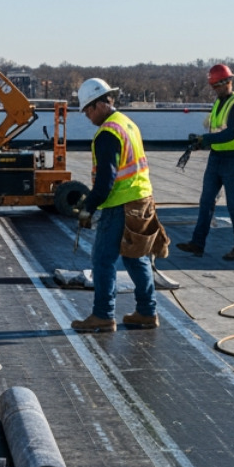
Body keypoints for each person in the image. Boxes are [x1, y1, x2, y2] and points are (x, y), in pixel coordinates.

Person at [69, 77, 163, 332]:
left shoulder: (108, 133)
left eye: (88, 110)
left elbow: (105, 181)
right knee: (136, 257)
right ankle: (147, 312)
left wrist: (88, 207)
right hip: (141, 199)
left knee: (102, 259)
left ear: (100, 104)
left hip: (120, 204)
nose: (87, 116)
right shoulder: (127, 123)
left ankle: (103, 315)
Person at [178, 63, 234, 261]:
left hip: (233, 158)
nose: (215, 89)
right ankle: (197, 243)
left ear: (227, 82)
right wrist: (201, 142)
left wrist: (206, 140)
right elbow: (216, 131)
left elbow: (231, 133)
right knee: (206, 202)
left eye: (217, 85)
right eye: (213, 86)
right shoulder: (218, 103)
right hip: (216, 157)